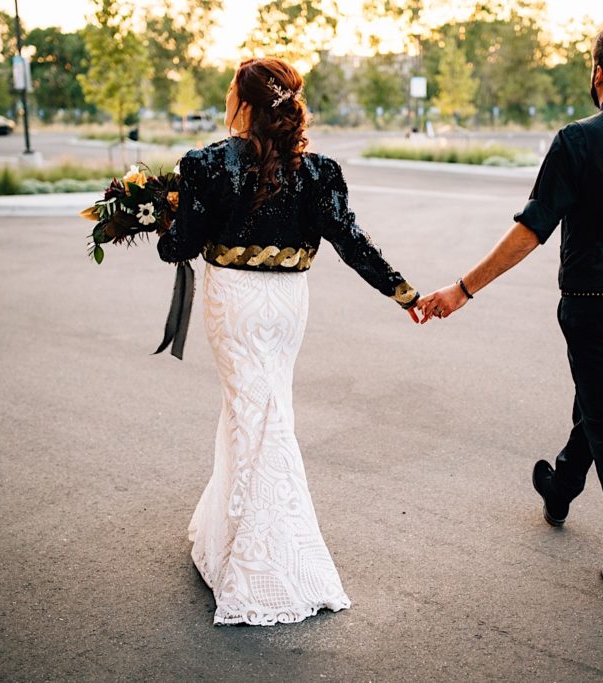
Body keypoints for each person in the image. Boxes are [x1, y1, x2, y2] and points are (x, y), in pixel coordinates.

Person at [418, 20, 603, 609]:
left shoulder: (576, 140)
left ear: (598, 72)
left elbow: (531, 229)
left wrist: (463, 290)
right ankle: (562, 485)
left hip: (591, 305)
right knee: (599, 407)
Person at [157, 57, 421, 626]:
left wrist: (163, 219)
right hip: (286, 307)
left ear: (244, 104)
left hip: (234, 303)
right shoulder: (319, 171)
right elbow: (352, 241)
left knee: (254, 413)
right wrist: (403, 293)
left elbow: (178, 248)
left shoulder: (204, 164)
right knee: (263, 410)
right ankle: (230, 535)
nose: (228, 98)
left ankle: (261, 564)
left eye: (231, 90)